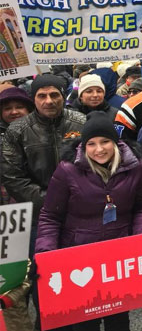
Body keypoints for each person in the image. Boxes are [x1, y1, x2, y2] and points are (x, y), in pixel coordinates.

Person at [35, 111, 142, 331]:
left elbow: (141, 207)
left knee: (118, 321)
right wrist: (45, 254)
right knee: (84, 323)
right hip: (79, 257)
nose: (99, 149)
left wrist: (141, 237)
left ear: (116, 142)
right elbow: (50, 216)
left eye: (105, 141)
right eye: (92, 143)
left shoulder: (135, 166)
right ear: (84, 146)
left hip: (117, 258)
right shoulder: (68, 170)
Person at [1, 75, 86, 230]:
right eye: (42, 96)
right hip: (39, 214)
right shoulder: (17, 130)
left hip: (80, 209)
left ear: (62, 96)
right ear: (34, 99)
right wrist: (49, 200)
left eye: (54, 95)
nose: (49, 101)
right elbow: (12, 177)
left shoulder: (82, 123)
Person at [0, 87, 34, 204]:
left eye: (19, 107)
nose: (14, 112)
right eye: (7, 108)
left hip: (37, 192)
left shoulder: (43, 130)